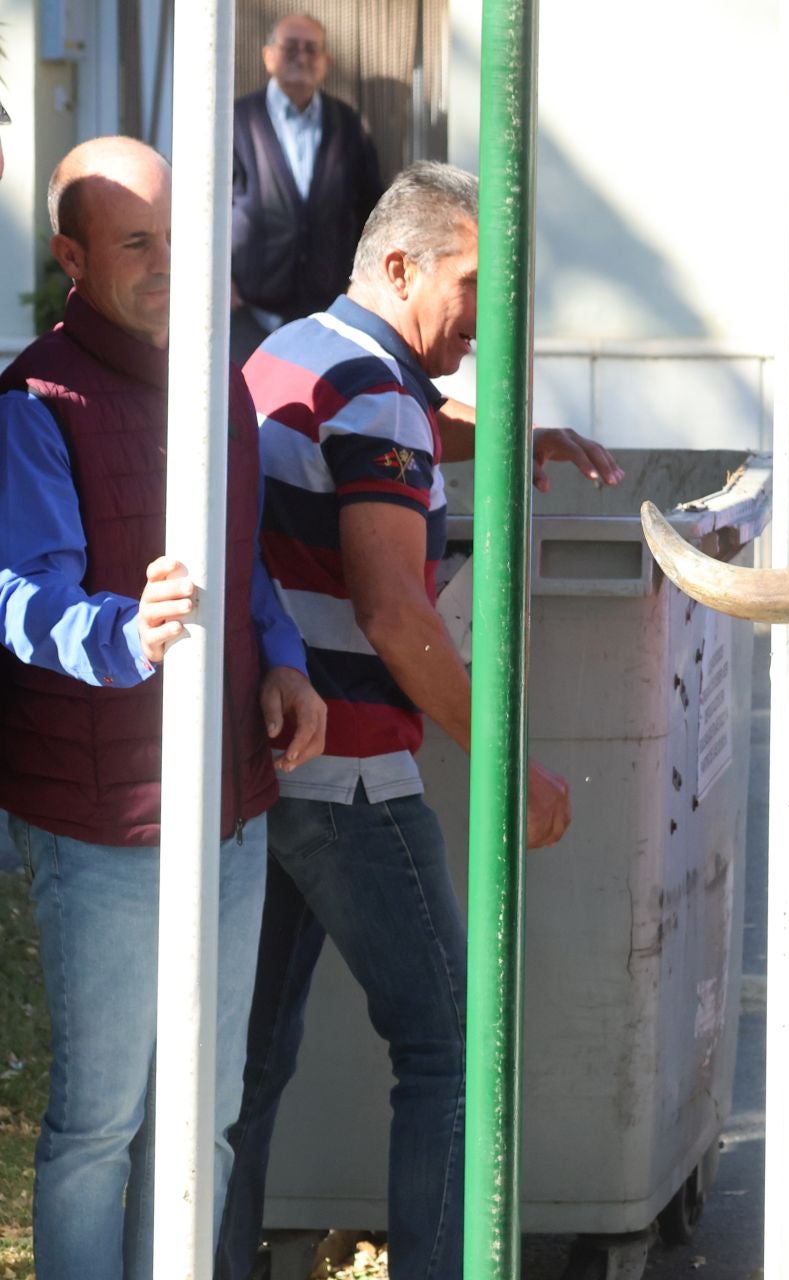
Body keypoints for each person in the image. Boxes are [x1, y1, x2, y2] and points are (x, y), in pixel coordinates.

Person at [216, 162, 617, 1280]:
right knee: (455, 1046)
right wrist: (508, 766)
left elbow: (361, 442)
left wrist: (509, 440)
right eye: (476, 284)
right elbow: (396, 614)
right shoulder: (383, 395)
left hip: (268, 763)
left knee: (245, 1070)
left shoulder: (289, 353)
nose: (490, 319)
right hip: (348, 773)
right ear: (398, 264)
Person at [0, 135, 326, 1280]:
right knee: (103, 1122)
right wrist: (122, 633)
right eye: (137, 241)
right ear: (72, 256)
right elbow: (17, 596)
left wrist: (282, 660)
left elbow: (243, 567)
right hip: (99, 825)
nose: (167, 263)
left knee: (209, 1109)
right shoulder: (34, 398)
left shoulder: (216, 380)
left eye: (183, 237)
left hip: (227, 800)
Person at [231, 12, 381, 359]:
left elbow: (373, 210)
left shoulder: (348, 125)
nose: (301, 57)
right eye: (290, 47)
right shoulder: (236, 121)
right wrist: (220, 280)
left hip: (328, 317)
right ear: (268, 56)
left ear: (326, 62)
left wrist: (362, 282)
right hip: (248, 315)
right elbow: (203, 206)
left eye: (311, 49)